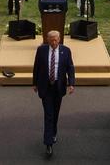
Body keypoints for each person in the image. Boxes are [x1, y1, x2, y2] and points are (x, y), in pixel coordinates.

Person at [32, 30, 75, 158]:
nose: (54, 42)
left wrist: (71, 83)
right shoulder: (41, 50)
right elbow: (36, 67)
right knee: (48, 114)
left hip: (58, 87)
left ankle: (53, 132)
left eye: (56, 40)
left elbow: (70, 68)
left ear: (59, 39)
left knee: (55, 113)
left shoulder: (66, 51)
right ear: (47, 39)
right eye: (51, 40)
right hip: (45, 87)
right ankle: (48, 143)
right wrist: (34, 83)